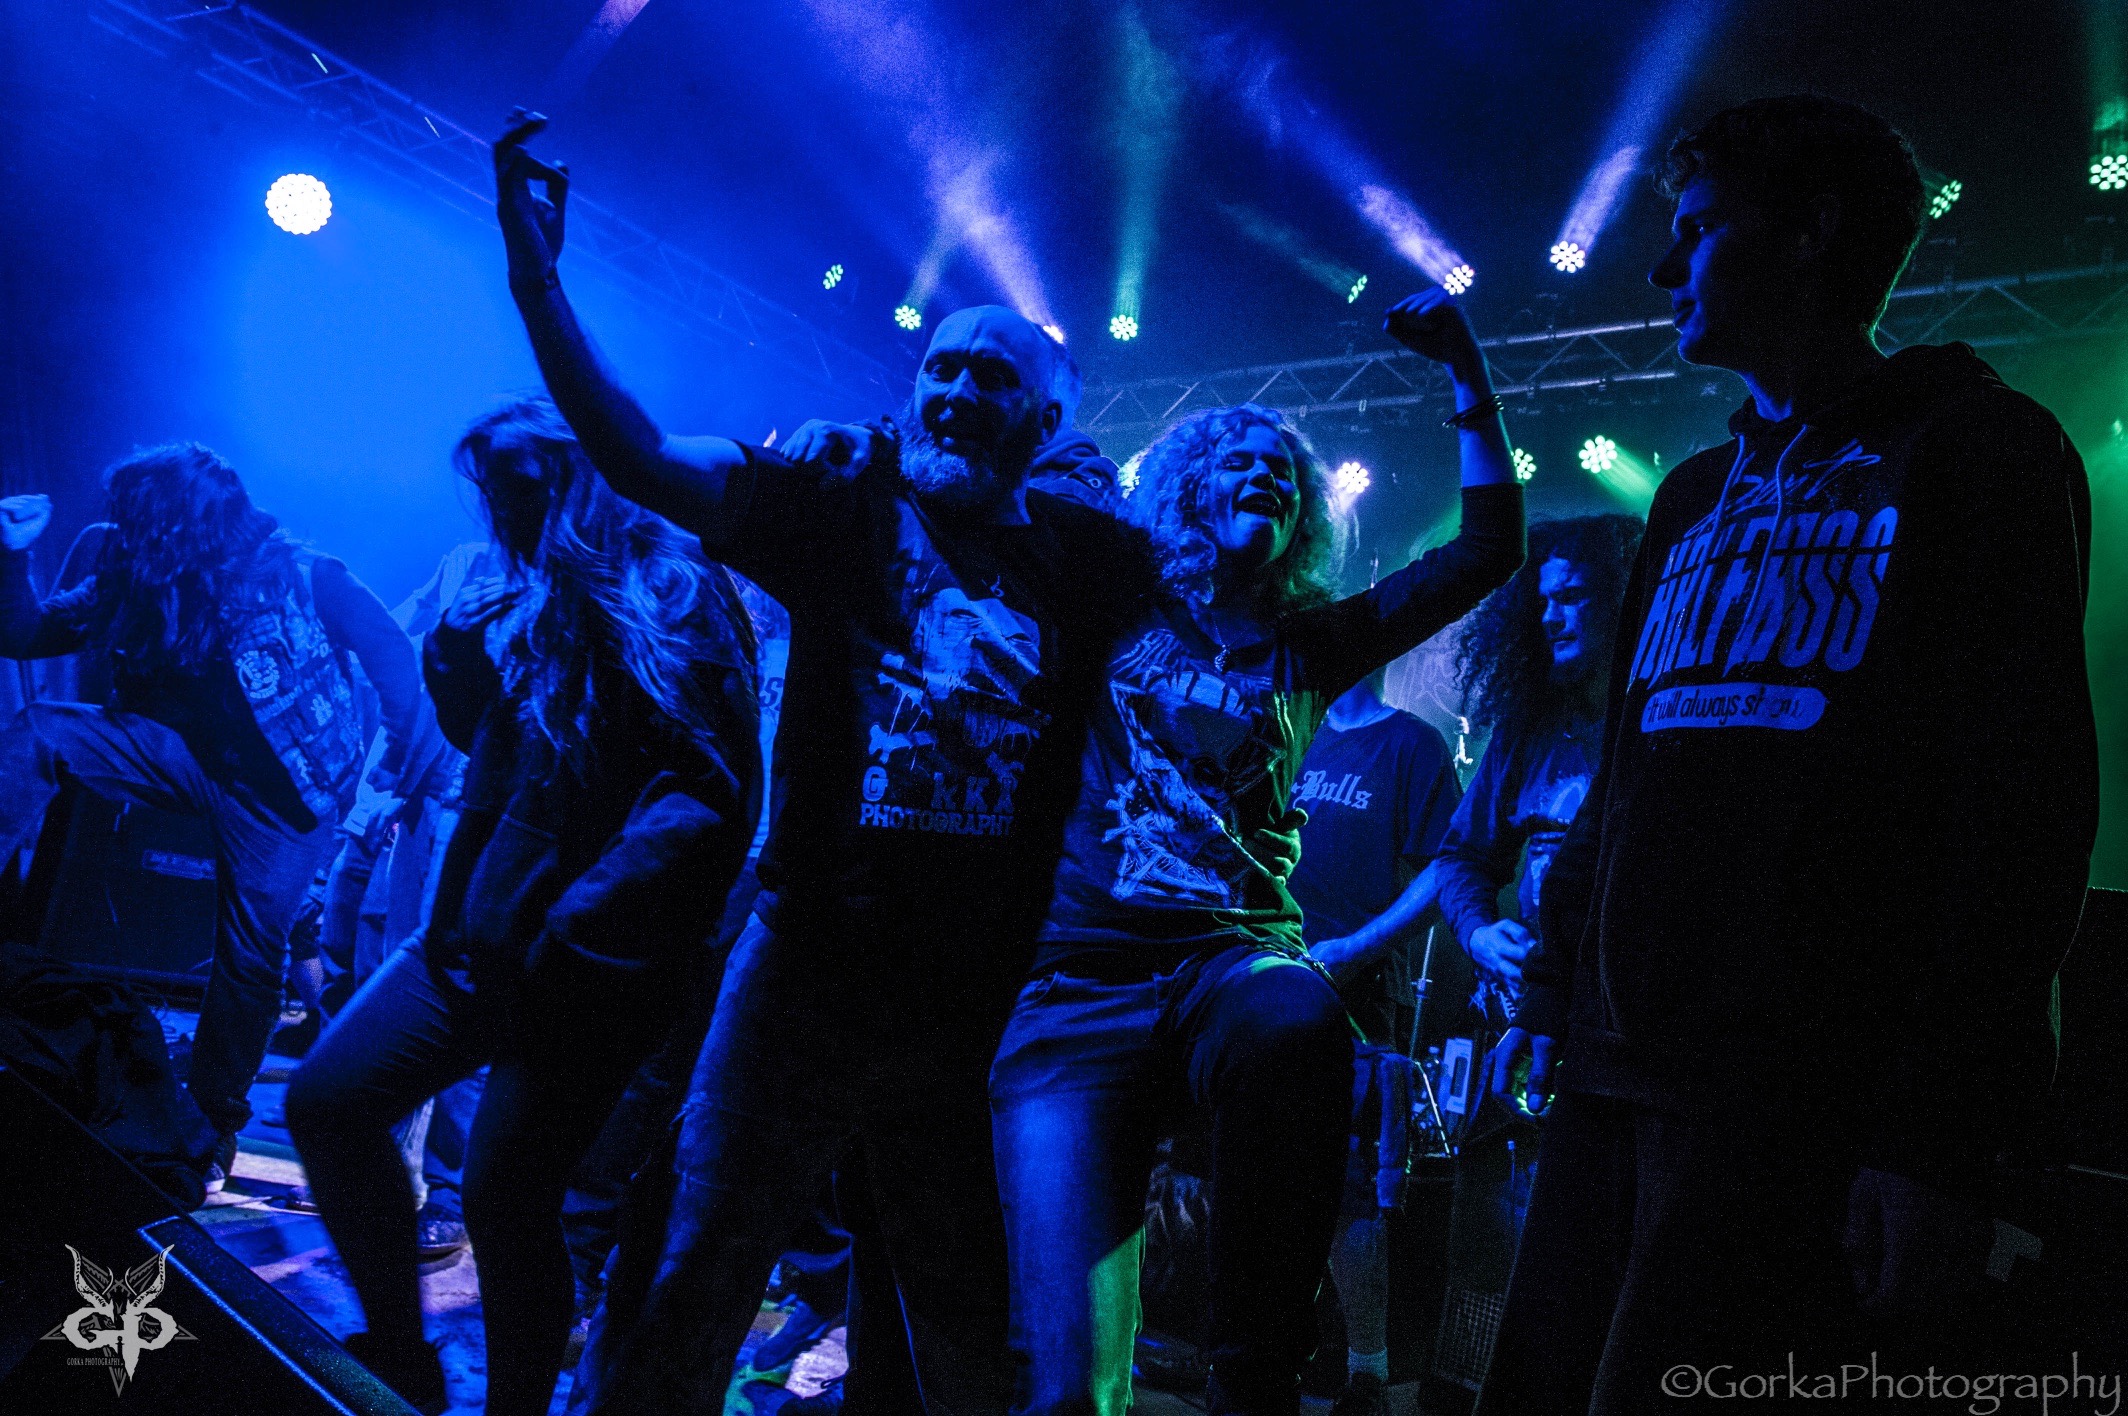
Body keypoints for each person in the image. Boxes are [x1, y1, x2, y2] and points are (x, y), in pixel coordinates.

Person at [488, 112, 1153, 1415]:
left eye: (993, 379)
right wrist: (537, 284)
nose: (956, 392)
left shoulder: (1085, 561)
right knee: (692, 1267)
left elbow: (1237, 611)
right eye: (940, 370)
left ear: (1046, 421)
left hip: (967, 999)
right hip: (804, 965)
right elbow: (640, 457)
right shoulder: (838, 507)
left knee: (967, 1326)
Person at [1480, 96, 2098, 1413]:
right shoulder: (1691, 496)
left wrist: (1936, 1140)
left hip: (1804, 1103)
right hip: (1617, 1071)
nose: (1666, 267)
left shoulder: (1977, 450)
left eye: (1700, 227)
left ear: (1811, 233)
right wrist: (1548, 998)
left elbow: (2021, 809)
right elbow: (1626, 778)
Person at [990, 288, 1524, 1416]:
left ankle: (1257, 1376)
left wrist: (1465, 370)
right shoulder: (1116, 597)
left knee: (1295, 1017)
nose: (1267, 478)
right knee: (1067, 1389)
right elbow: (1014, 501)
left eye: (1285, 475)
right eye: (1239, 461)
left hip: (1230, 961)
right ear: (1187, 485)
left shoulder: (1308, 645)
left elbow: (1486, 549)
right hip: (1079, 978)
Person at [284, 398, 761, 1416]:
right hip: (471, 934)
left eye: (520, 483)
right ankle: (399, 1353)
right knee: (328, 1101)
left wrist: (580, 923)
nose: (502, 507)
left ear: (580, 473)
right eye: (490, 489)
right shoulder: (538, 586)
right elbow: (494, 754)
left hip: (588, 964)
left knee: (506, 1199)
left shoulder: (670, 584)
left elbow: (708, 790)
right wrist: (454, 661)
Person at [0, 446, 418, 1187]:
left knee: (253, 956)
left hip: (284, 797)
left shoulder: (305, 574)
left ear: (175, 525)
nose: (117, 530)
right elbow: (27, 635)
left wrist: (393, 778)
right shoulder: (136, 574)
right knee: (41, 731)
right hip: (183, 756)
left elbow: (397, 667)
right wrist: (12, 554)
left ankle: (209, 1127)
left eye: (134, 520)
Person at [1288, 666, 1462, 1416]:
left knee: (1347, 1186)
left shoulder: (1412, 746)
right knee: (1261, 1172)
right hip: (1259, 982)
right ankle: (1270, 1351)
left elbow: (1452, 872)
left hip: (1352, 997)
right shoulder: (1290, 732)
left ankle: (1368, 1373)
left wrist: (1357, 948)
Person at [1434, 515, 1641, 1018]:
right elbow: (1462, 855)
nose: (1549, 617)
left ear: (1622, 600)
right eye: (1543, 601)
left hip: (1623, 1006)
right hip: (1532, 1007)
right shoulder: (1527, 729)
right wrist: (1479, 934)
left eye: (1570, 597)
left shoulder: (1655, 724)